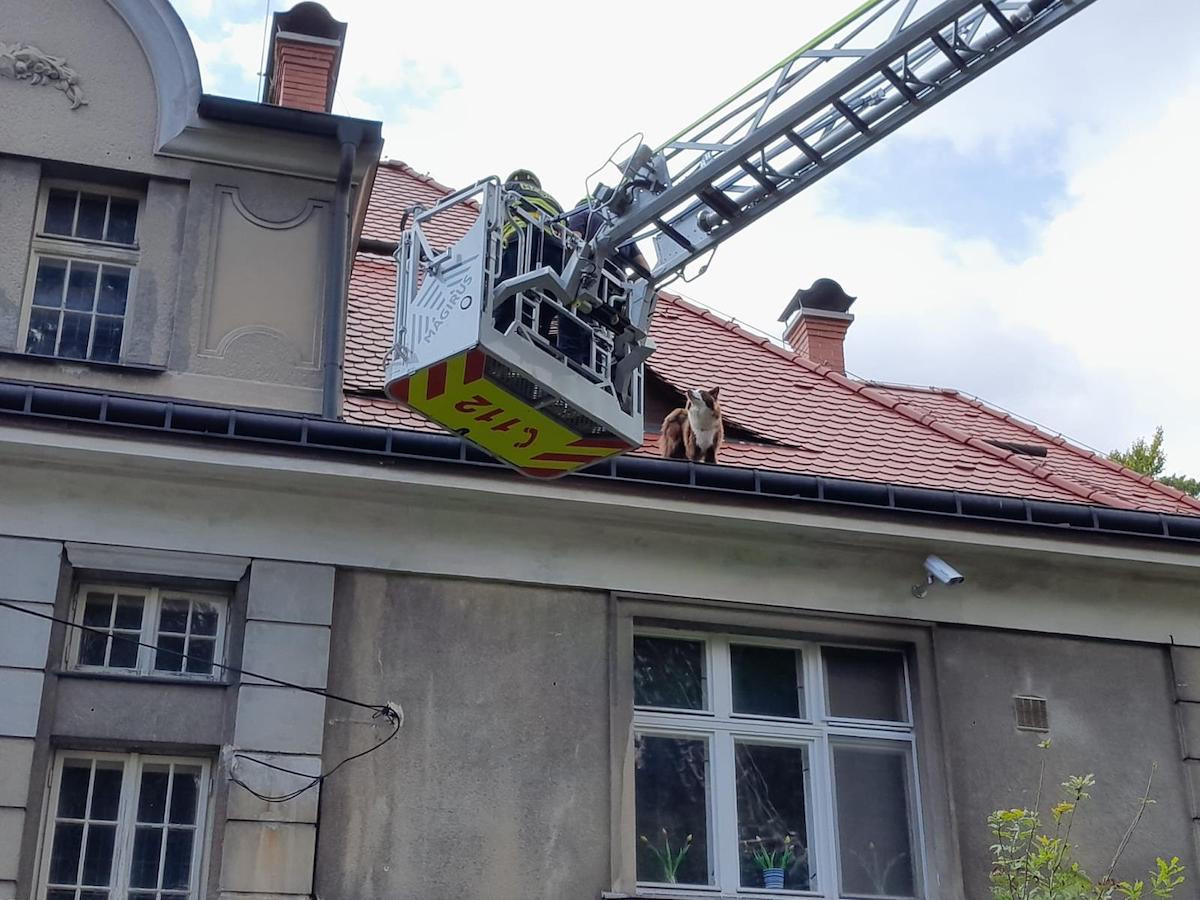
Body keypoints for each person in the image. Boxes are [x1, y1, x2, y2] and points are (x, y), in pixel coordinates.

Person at [496, 169, 564, 344]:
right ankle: (539, 337)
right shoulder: (555, 203)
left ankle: (501, 333)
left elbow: (490, 219)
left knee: (507, 289)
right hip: (556, 252)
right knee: (548, 301)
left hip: (523, 241)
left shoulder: (510, 188)